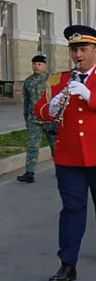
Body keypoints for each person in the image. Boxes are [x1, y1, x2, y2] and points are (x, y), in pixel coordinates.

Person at [34, 25, 96, 281]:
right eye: (74, 50)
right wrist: (51, 107)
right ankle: (67, 264)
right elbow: (41, 110)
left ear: (95, 51)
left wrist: (92, 96)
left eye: (83, 50)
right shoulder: (58, 80)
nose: (78, 55)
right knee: (71, 208)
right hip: (69, 156)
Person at [17, 55, 56, 184]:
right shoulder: (28, 81)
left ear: (44, 65)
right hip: (34, 118)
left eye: (39, 64)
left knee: (55, 146)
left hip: (50, 118)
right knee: (32, 146)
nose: (36, 66)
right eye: (34, 64)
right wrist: (26, 118)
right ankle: (30, 173)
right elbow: (26, 101)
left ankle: (61, 169)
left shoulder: (52, 79)